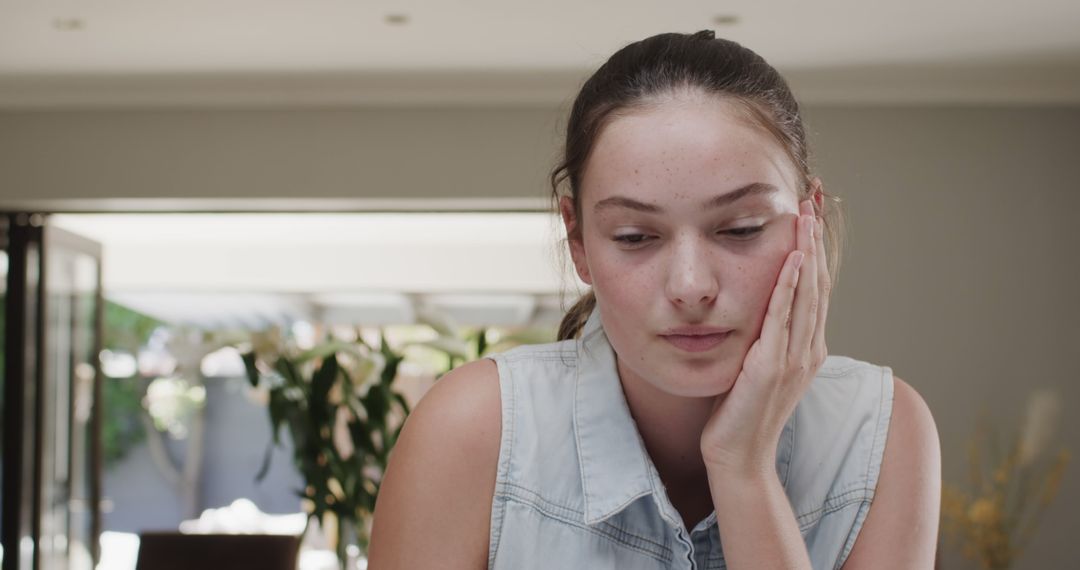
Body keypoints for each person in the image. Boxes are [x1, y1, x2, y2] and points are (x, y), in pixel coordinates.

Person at [367, 30, 940, 569]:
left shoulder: (882, 432)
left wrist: (744, 470)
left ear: (807, 222)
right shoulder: (473, 429)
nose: (691, 286)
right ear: (579, 243)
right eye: (635, 237)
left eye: (740, 228)